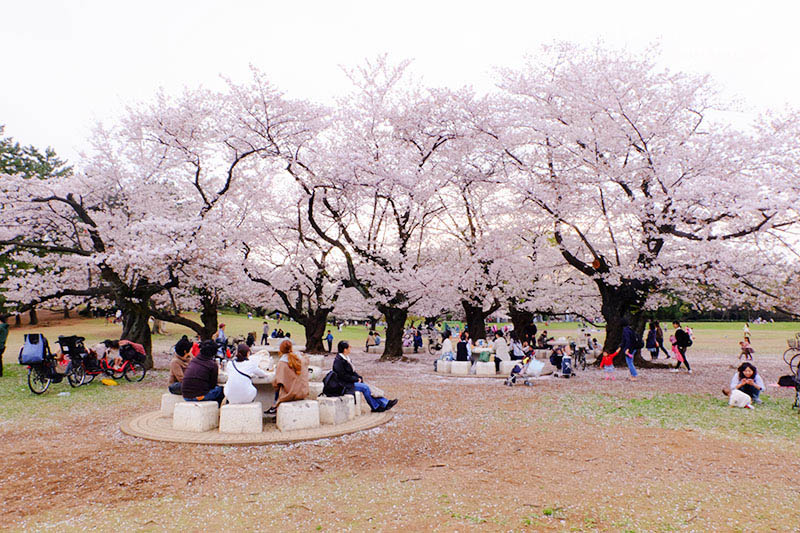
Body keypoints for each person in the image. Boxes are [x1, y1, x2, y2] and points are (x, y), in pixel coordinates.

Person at [323, 341, 397, 412]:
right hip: (343, 385)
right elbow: (343, 376)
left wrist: (359, 377)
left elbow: (352, 371)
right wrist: (355, 379)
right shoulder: (338, 361)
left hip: (348, 382)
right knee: (365, 388)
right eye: (349, 347)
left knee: (368, 388)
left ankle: (384, 403)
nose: (350, 348)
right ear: (345, 349)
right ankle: (376, 407)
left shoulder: (346, 358)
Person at [182, 340, 224, 405]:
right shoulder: (212, 365)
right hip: (200, 396)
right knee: (222, 390)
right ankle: (217, 411)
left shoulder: (193, 361)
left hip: (186, 396)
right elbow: (212, 385)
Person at [272, 340, 309, 410]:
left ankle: (274, 406)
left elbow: (276, 382)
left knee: (278, 386)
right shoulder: (301, 359)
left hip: (290, 394)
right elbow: (306, 360)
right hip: (303, 392)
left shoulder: (282, 363)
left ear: (281, 350)